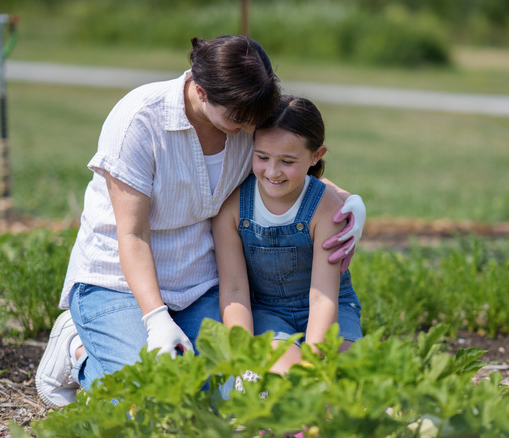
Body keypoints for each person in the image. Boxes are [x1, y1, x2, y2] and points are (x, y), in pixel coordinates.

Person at [35, 35, 366, 408]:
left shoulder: (241, 120)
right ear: (202, 90)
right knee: (152, 403)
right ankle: (77, 350)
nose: (247, 128)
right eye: (240, 119)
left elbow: (289, 167)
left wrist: (349, 203)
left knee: (231, 399)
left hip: (196, 284)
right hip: (118, 284)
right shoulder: (139, 121)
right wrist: (156, 320)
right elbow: (133, 233)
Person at [212, 95, 362, 375]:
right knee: (288, 384)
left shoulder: (327, 209)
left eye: (287, 161)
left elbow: (323, 298)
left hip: (333, 307)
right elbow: (234, 291)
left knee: (347, 385)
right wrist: (244, 358)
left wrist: (314, 365)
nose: (272, 171)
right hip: (268, 312)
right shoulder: (232, 208)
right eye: (262, 157)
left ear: (316, 155)